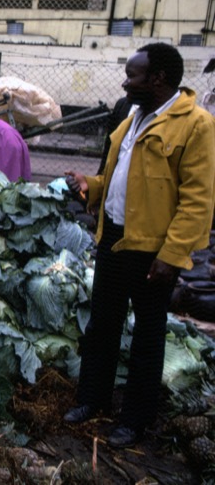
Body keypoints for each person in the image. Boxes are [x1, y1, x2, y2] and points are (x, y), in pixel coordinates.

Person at [63, 43, 215, 449]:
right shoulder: (131, 117)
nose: (125, 81)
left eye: (132, 75)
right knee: (102, 327)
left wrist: (172, 255)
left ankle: (134, 420)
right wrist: (90, 186)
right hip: (114, 238)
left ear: (158, 78)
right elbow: (118, 179)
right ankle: (91, 401)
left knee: (147, 337)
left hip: (154, 250)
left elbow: (198, 200)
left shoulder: (196, 125)